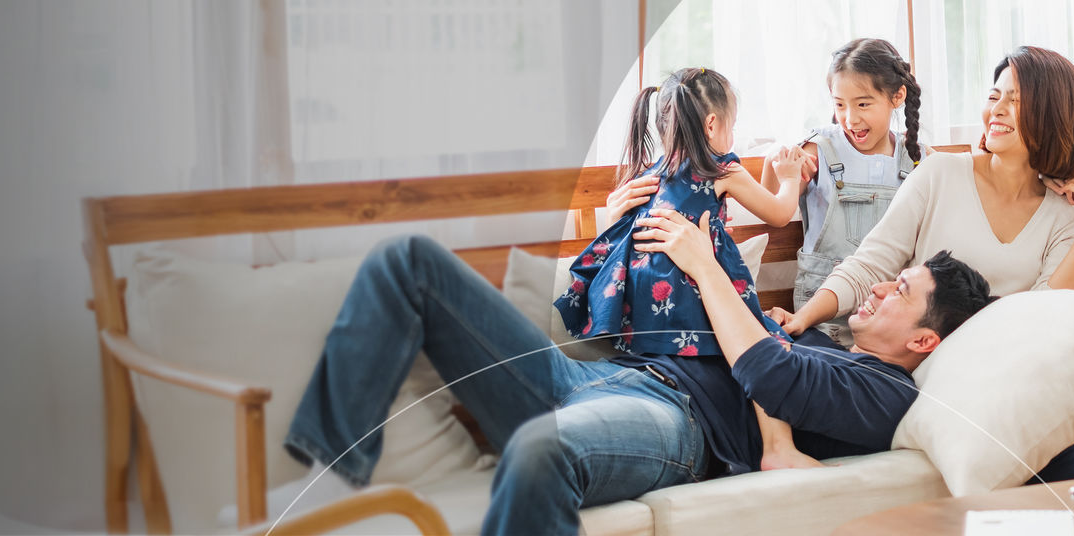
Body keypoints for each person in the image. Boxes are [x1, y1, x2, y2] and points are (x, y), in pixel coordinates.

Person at [276, 208, 994, 535]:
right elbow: (765, 365)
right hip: (602, 379)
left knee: (541, 449)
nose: (878, 288)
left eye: (900, 291)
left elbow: (772, 379)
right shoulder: (818, 340)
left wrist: (707, 264)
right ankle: (332, 461)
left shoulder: (883, 392)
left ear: (926, 340)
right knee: (410, 263)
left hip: (672, 426)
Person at [771, 45, 1074, 483]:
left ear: (1051, 112)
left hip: (1007, 369)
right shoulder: (940, 173)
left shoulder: (1066, 213)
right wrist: (802, 319)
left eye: (1015, 99)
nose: (998, 109)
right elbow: (869, 265)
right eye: (995, 96)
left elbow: (1055, 314)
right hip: (935, 364)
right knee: (1036, 407)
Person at [554, 66, 806, 357]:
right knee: (767, 343)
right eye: (732, 125)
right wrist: (790, 178)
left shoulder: (649, 174)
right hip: (690, 293)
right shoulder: (722, 170)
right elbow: (778, 214)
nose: (733, 135)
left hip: (643, 306)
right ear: (711, 125)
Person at [761, 38, 928, 347]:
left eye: (863, 104)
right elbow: (775, 213)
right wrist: (775, 163)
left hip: (889, 322)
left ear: (897, 97)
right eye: (840, 105)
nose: (850, 118)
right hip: (820, 321)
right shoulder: (818, 150)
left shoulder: (918, 160)